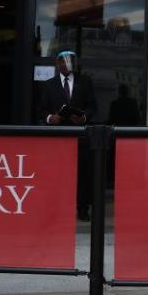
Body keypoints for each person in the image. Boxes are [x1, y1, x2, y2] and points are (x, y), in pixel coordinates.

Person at [36, 50, 98, 221]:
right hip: (58, 137)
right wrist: (50, 118)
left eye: (70, 62)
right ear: (58, 64)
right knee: (58, 173)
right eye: (63, 62)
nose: (67, 65)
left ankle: (83, 208)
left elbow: (93, 106)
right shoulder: (49, 85)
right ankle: (55, 209)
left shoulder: (85, 82)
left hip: (80, 137)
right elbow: (41, 109)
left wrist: (84, 117)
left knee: (83, 174)